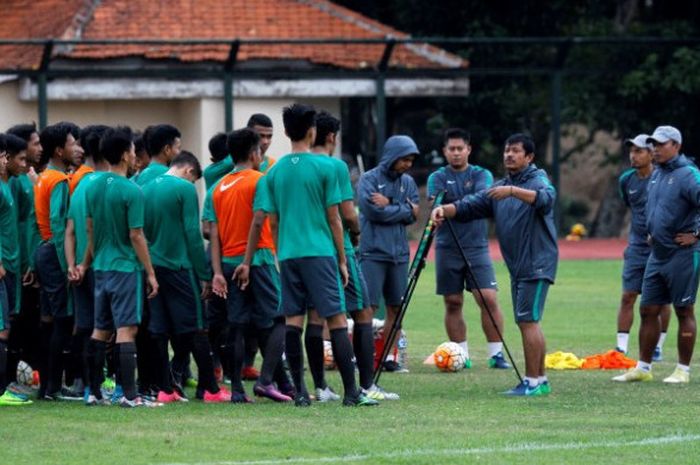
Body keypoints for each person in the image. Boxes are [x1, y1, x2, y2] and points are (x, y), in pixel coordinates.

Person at [260, 103, 376, 406]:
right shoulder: (326, 167)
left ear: (285, 131)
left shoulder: (273, 173)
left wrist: (278, 252)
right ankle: (352, 392)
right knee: (336, 319)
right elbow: (335, 218)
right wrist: (341, 258)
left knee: (293, 322)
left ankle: (300, 393)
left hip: (288, 254)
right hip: (320, 253)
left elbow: (272, 221)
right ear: (313, 131)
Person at [432, 133, 557, 396]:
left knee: (528, 322)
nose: (509, 155)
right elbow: (470, 206)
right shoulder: (501, 187)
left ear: (529, 157)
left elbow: (546, 199)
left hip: (536, 263)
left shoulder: (537, 179)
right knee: (528, 321)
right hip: (519, 266)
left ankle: (532, 381)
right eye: (506, 151)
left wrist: (512, 191)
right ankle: (539, 381)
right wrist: (445, 210)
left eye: (515, 151)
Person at [304, 111, 396, 401]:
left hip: (308, 251)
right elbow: (347, 214)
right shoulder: (335, 167)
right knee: (362, 311)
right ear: (332, 136)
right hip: (337, 247)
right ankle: (366, 385)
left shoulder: (297, 167)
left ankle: (320, 386)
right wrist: (355, 233)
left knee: (315, 316)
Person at [207, 128, 290, 403]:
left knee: (237, 326)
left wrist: (218, 272)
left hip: (228, 265)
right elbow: (258, 220)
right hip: (258, 260)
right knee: (279, 319)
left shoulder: (217, 187)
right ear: (255, 153)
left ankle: (239, 391)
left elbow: (213, 233)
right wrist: (247, 261)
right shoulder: (259, 180)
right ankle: (266, 381)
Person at [613, 126, 700, 384]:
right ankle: (643, 367)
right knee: (648, 309)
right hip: (656, 254)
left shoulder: (689, 174)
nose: (656, 149)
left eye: (661, 144)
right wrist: (652, 231)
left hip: (683, 253)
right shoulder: (655, 174)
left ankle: (683, 370)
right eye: (654, 144)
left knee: (684, 310)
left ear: (676, 146)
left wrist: (697, 234)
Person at [142, 151, 229, 403]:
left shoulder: (145, 189)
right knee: (197, 327)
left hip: (154, 269)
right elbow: (192, 233)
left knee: (159, 329)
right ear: (189, 171)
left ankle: (165, 389)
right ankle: (211, 390)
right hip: (179, 267)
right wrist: (204, 274)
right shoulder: (184, 189)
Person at [83, 126, 160, 407]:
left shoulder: (92, 186)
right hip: (126, 268)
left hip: (101, 267)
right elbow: (136, 235)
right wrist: (151, 272)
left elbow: (90, 229)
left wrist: (86, 262)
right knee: (127, 330)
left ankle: (93, 392)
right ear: (126, 154)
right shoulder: (132, 190)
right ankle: (130, 396)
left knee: (100, 330)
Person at [427, 128, 510, 369]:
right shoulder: (437, 177)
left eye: (459, 149)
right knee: (453, 301)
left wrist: (455, 208)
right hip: (446, 246)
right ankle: (459, 356)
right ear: (444, 151)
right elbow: (437, 206)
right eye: (451, 149)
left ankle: (496, 354)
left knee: (488, 298)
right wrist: (461, 207)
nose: (455, 153)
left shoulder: (482, 174)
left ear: (468, 150)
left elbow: (481, 201)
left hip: (476, 246)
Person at [357, 135, 419, 372]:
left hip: (400, 255)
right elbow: (374, 212)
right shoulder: (369, 179)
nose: (408, 164)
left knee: (396, 307)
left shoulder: (409, 182)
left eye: (411, 160)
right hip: (373, 252)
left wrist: (391, 202)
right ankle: (364, 358)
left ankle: (388, 358)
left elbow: (415, 214)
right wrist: (403, 208)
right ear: (392, 156)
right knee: (368, 307)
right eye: (404, 159)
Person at [34, 122, 81, 400]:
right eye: (72, 143)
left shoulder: (43, 176)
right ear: (59, 149)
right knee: (63, 319)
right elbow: (58, 222)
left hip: (43, 249)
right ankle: (52, 387)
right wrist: (68, 265)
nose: (76, 148)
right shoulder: (59, 180)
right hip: (54, 251)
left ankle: (47, 386)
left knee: (49, 318)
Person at [65, 125, 110, 402]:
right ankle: (96, 385)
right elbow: (96, 232)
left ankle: (83, 383)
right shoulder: (105, 183)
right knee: (102, 328)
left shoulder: (80, 184)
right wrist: (84, 263)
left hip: (79, 270)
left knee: (84, 325)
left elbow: (69, 231)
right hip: (98, 266)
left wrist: (72, 265)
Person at [615, 134, 671, 358]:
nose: (633, 155)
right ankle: (621, 347)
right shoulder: (626, 180)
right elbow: (631, 207)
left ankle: (657, 346)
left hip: (661, 248)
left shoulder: (664, 178)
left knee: (661, 299)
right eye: (631, 151)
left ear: (651, 154)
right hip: (636, 247)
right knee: (628, 295)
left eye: (639, 151)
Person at [0, 135, 32, 405]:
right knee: (2, 329)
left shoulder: (7, 185)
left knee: (7, 326)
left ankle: (5, 386)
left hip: (11, 263)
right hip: (2, 265)